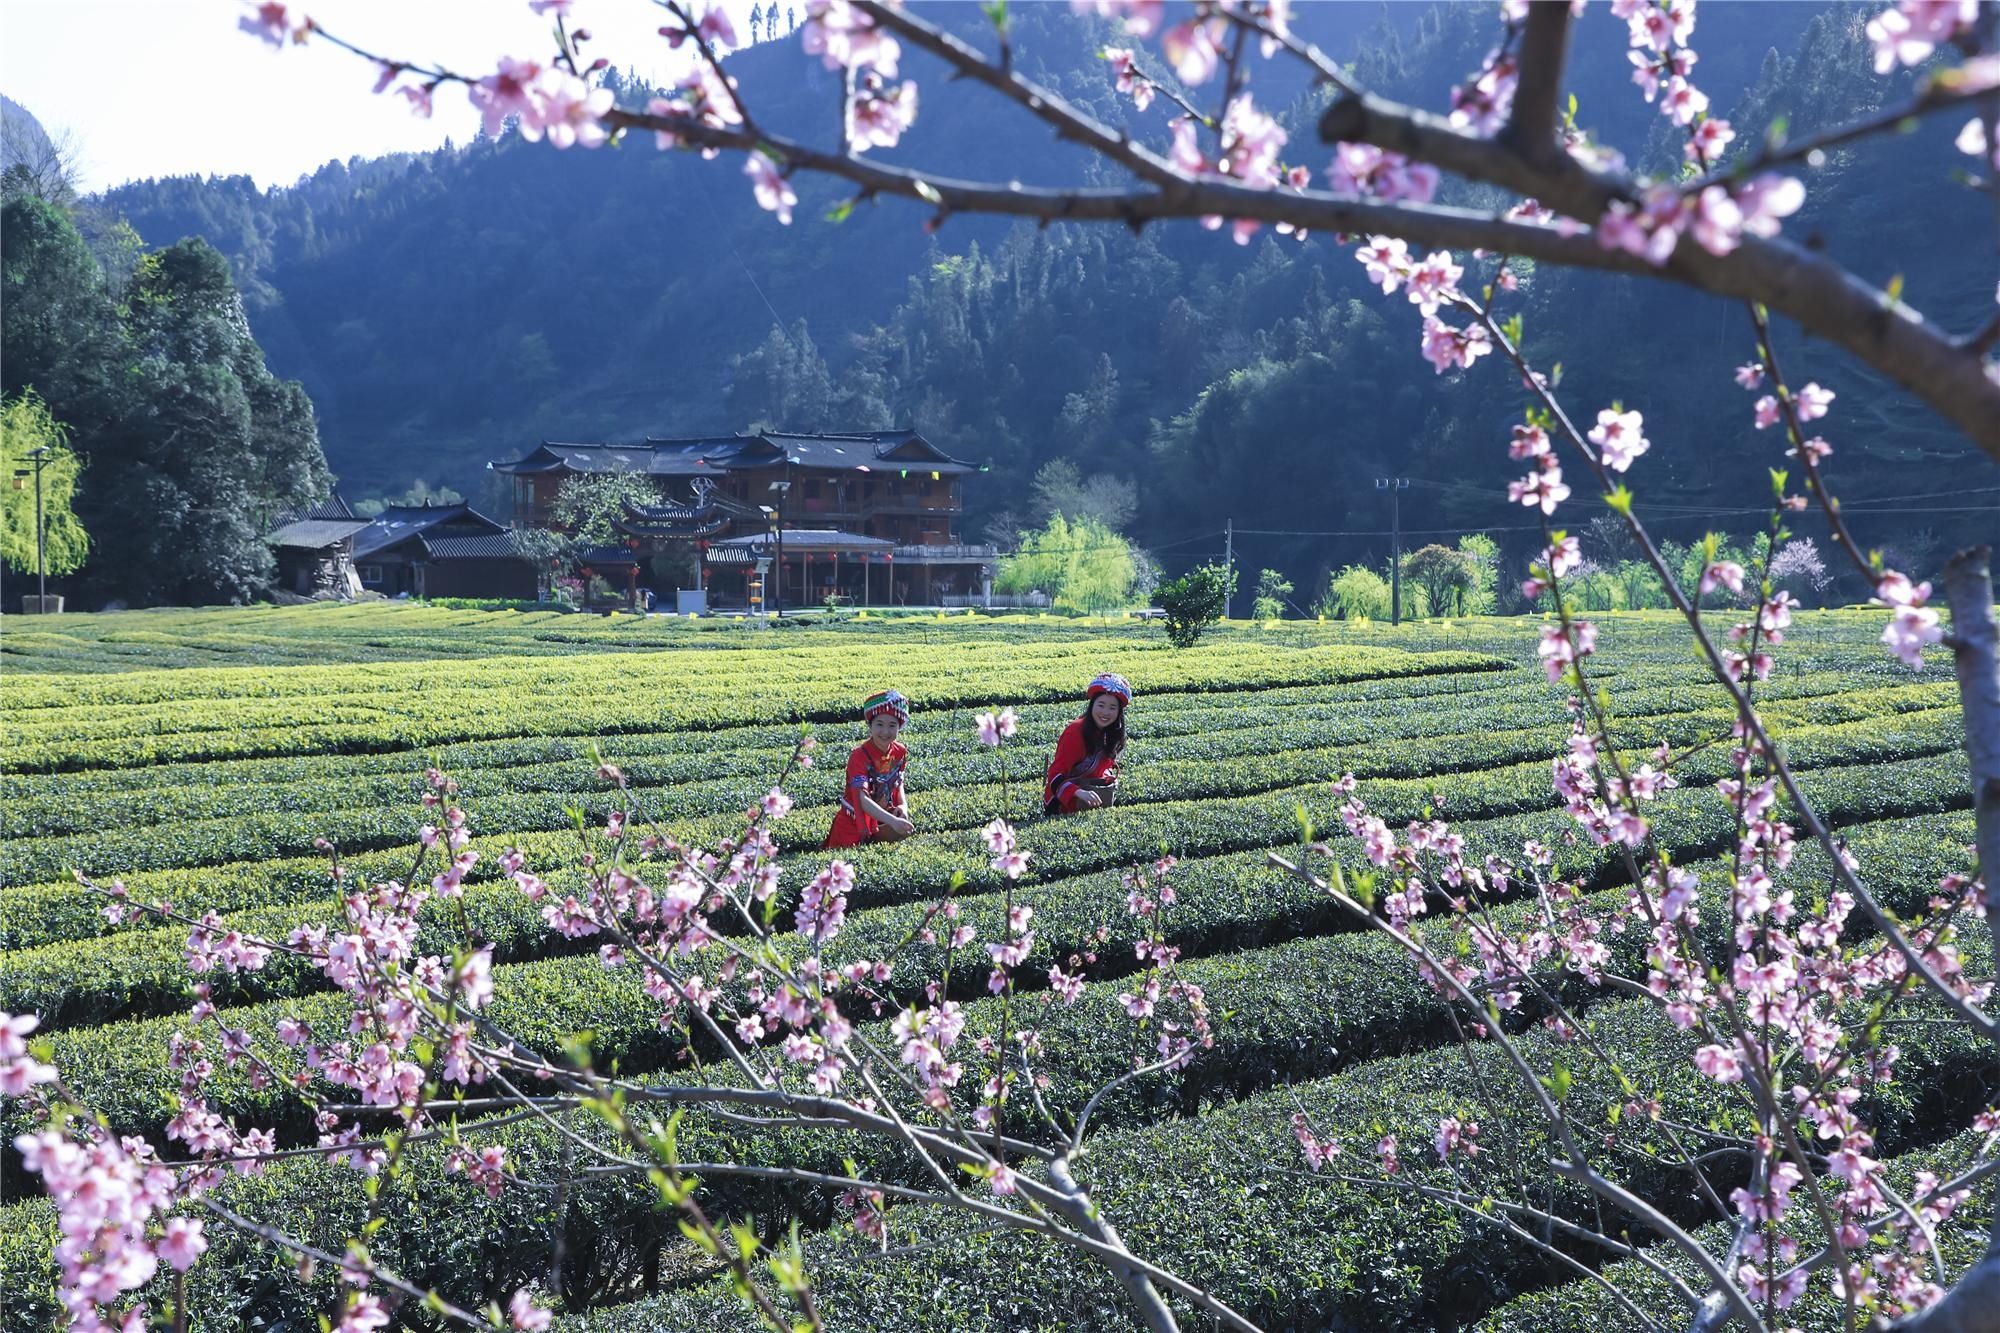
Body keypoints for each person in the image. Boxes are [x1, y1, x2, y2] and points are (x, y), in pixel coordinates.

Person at [823, 688, 917, 848]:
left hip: (883, 819)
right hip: (853, 825)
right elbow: (862, 799)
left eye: (892, 725)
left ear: (899, 727)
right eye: (879, 724)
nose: (885, 731)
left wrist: (903, 807)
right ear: (870, 725)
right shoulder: (859, 756)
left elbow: (898, 783)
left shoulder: (900, 751)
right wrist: (893, 821)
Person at [1044, 673, 1131, 816]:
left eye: (1112, 707)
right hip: (1063, 802)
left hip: (1092, 796)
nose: (1105, 712)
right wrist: (1078, 792)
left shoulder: (1111, 733)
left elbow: (1101, 768)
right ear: (1092, 705)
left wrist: (1107, 778)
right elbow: (1054, 774)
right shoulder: (1075, 732)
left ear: (1119, 712)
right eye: (1101, 705)